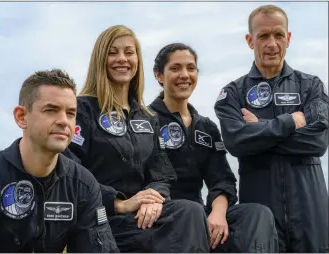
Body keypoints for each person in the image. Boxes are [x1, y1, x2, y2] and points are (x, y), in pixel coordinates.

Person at [64, 25, 210, 252]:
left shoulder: (148, 118)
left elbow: (161, 175)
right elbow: (70, 170)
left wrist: (152, 200)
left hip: (141, 219)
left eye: (129, 52)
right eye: (113, 52)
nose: (122, 59)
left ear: (138, 61)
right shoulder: (81, 109)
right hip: (100, 218)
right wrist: (118, 203)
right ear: (100, 59)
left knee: (191, 211)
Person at [0, 69, 118, 253]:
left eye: (71, 113)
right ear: (21, 117)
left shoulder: (84, 185)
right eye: (51, 110)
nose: (64, 121)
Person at [214, 5, 329, 252]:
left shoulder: (311, 86)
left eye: (278, 35)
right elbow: (236, 142)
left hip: (311, 211)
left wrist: (260, 129)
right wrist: (289, 123)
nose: (272, 43)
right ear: (249, 40)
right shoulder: (233, 94)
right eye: (263, 36)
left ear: (288, 38)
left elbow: (318, 142)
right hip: (260, 214)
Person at [149, 42, 279, 253]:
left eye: (191, 68)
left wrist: (217, 215)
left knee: (257, 214)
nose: (185, 74)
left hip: (199, 213)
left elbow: (221, 179)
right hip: (161, 215)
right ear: (159, 76)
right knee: (189, 213)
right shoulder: (145, 121)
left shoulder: (206, 127)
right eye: (175, 68)